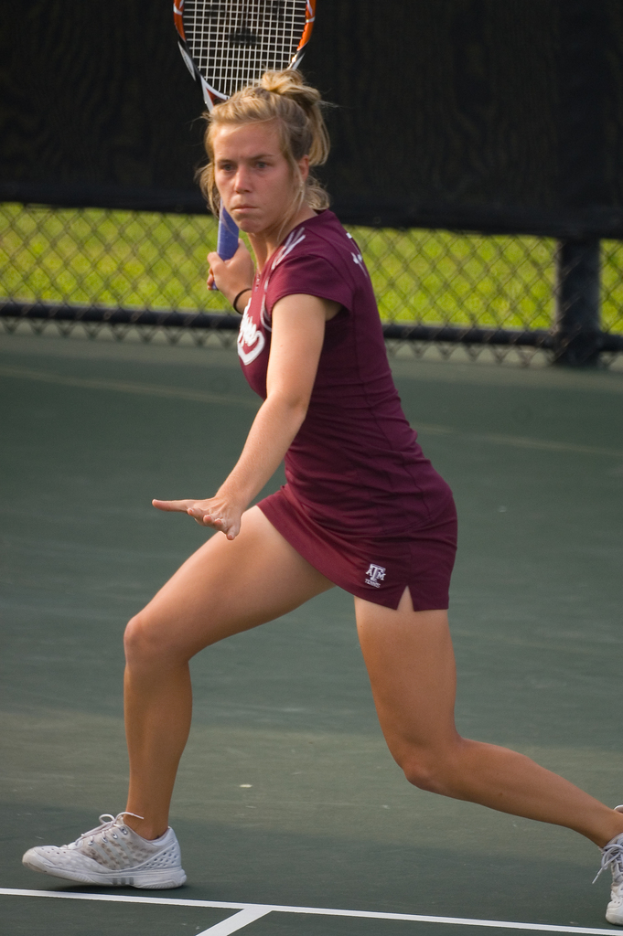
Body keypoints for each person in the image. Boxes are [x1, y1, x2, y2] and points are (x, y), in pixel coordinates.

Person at [22, 70, 623, 923]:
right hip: (313, 508)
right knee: (153, 638)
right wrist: (238, 287)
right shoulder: (268, 261)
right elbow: (271, 334)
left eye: (261, 165)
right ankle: (143, 839)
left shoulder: (309, 267)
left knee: (428, 758)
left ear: (303, 166)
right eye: (226, 168)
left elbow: (290, 398)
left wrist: (234, 494)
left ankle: (615, 831)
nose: (240, 183)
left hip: (390, 520)